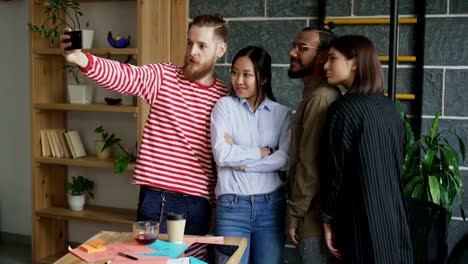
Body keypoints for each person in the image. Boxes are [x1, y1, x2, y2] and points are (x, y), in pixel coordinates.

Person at [60, 14, 229, 259]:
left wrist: (215, 208)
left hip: (199, 204)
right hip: (158, 198)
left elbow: (221, 159)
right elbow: (124, 75)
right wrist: (80, 58)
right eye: (189, 43)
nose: (192, 51)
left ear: (220, 50)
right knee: (150, 261)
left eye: (202, 45)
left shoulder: (224, 97)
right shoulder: (164, 77)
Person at [321, 35, 413, 263]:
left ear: (354, 63)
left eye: (332, 58)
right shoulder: (388, 107)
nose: (325, 65)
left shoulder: (343, 109)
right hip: (394, 220)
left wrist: (328, 219)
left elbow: (336, 174)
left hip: (359, 223)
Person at [210, 46, 292, 264]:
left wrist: (243, 163)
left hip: (271, 207)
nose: (238, 80)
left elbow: (284, 159)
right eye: (235, 72)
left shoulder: (282, 114)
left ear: (263, 78)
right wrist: (262, 152)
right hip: (232, 207)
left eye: (247, 74)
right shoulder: (224, 107)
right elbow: (222, 154)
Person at [285, 27, 341, 263]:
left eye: (302, 48)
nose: (292, 53)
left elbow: (310, 166)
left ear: (321, 56)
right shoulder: (313, 94)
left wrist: (293, 215)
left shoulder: (321, 97)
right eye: (294, 45)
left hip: (313, 222)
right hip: (309, 219)